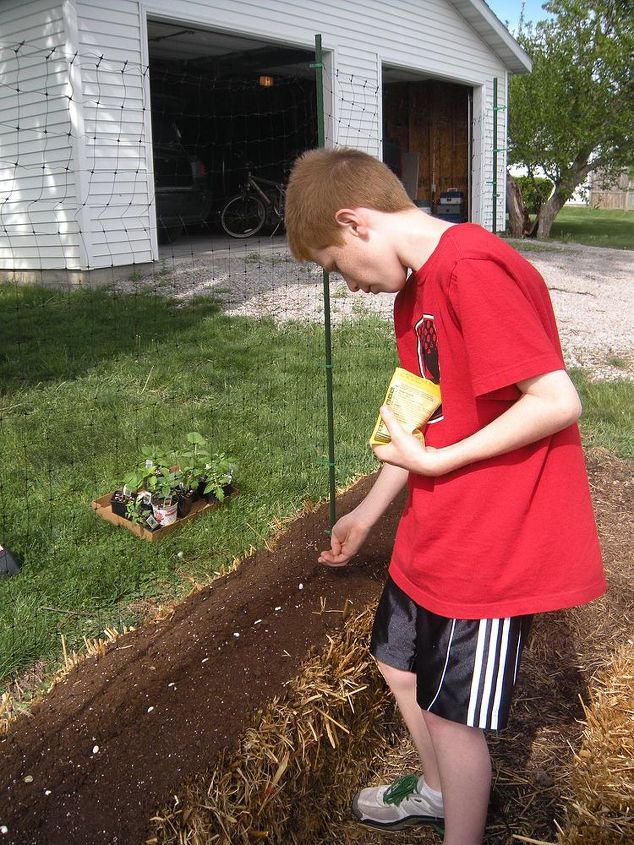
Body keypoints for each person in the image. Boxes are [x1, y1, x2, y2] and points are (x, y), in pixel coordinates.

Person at [284, 147, 606, 845]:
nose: (350, 286)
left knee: (455, 720)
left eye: (336, 265)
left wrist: (442, 457)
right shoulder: (413, 295)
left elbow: (556, 400)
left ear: (355, 221)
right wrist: (369, 512)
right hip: (438, 527)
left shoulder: (471, 269)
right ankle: (438, 791)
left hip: (491, 539)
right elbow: (417, 415)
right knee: (396, 659)